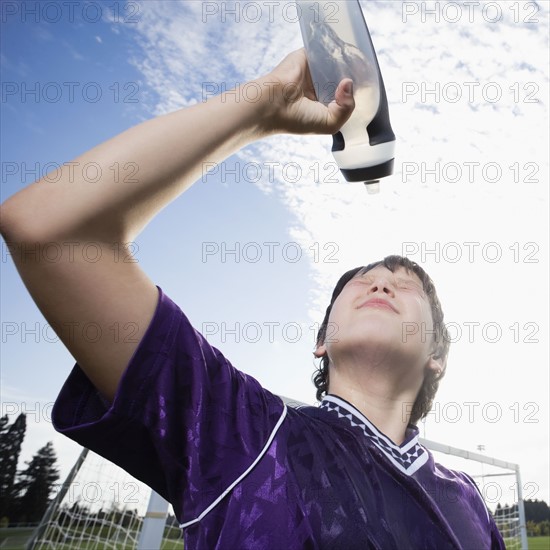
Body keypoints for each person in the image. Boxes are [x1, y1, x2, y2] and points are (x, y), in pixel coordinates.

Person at [0, 49, 505, 549]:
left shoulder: (470, 501)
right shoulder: (241, 432)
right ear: (321, 342)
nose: (379, 283)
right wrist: (262, 106)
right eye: (361, 281)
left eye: (404, 284)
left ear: (437, 355)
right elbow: (54, 230)